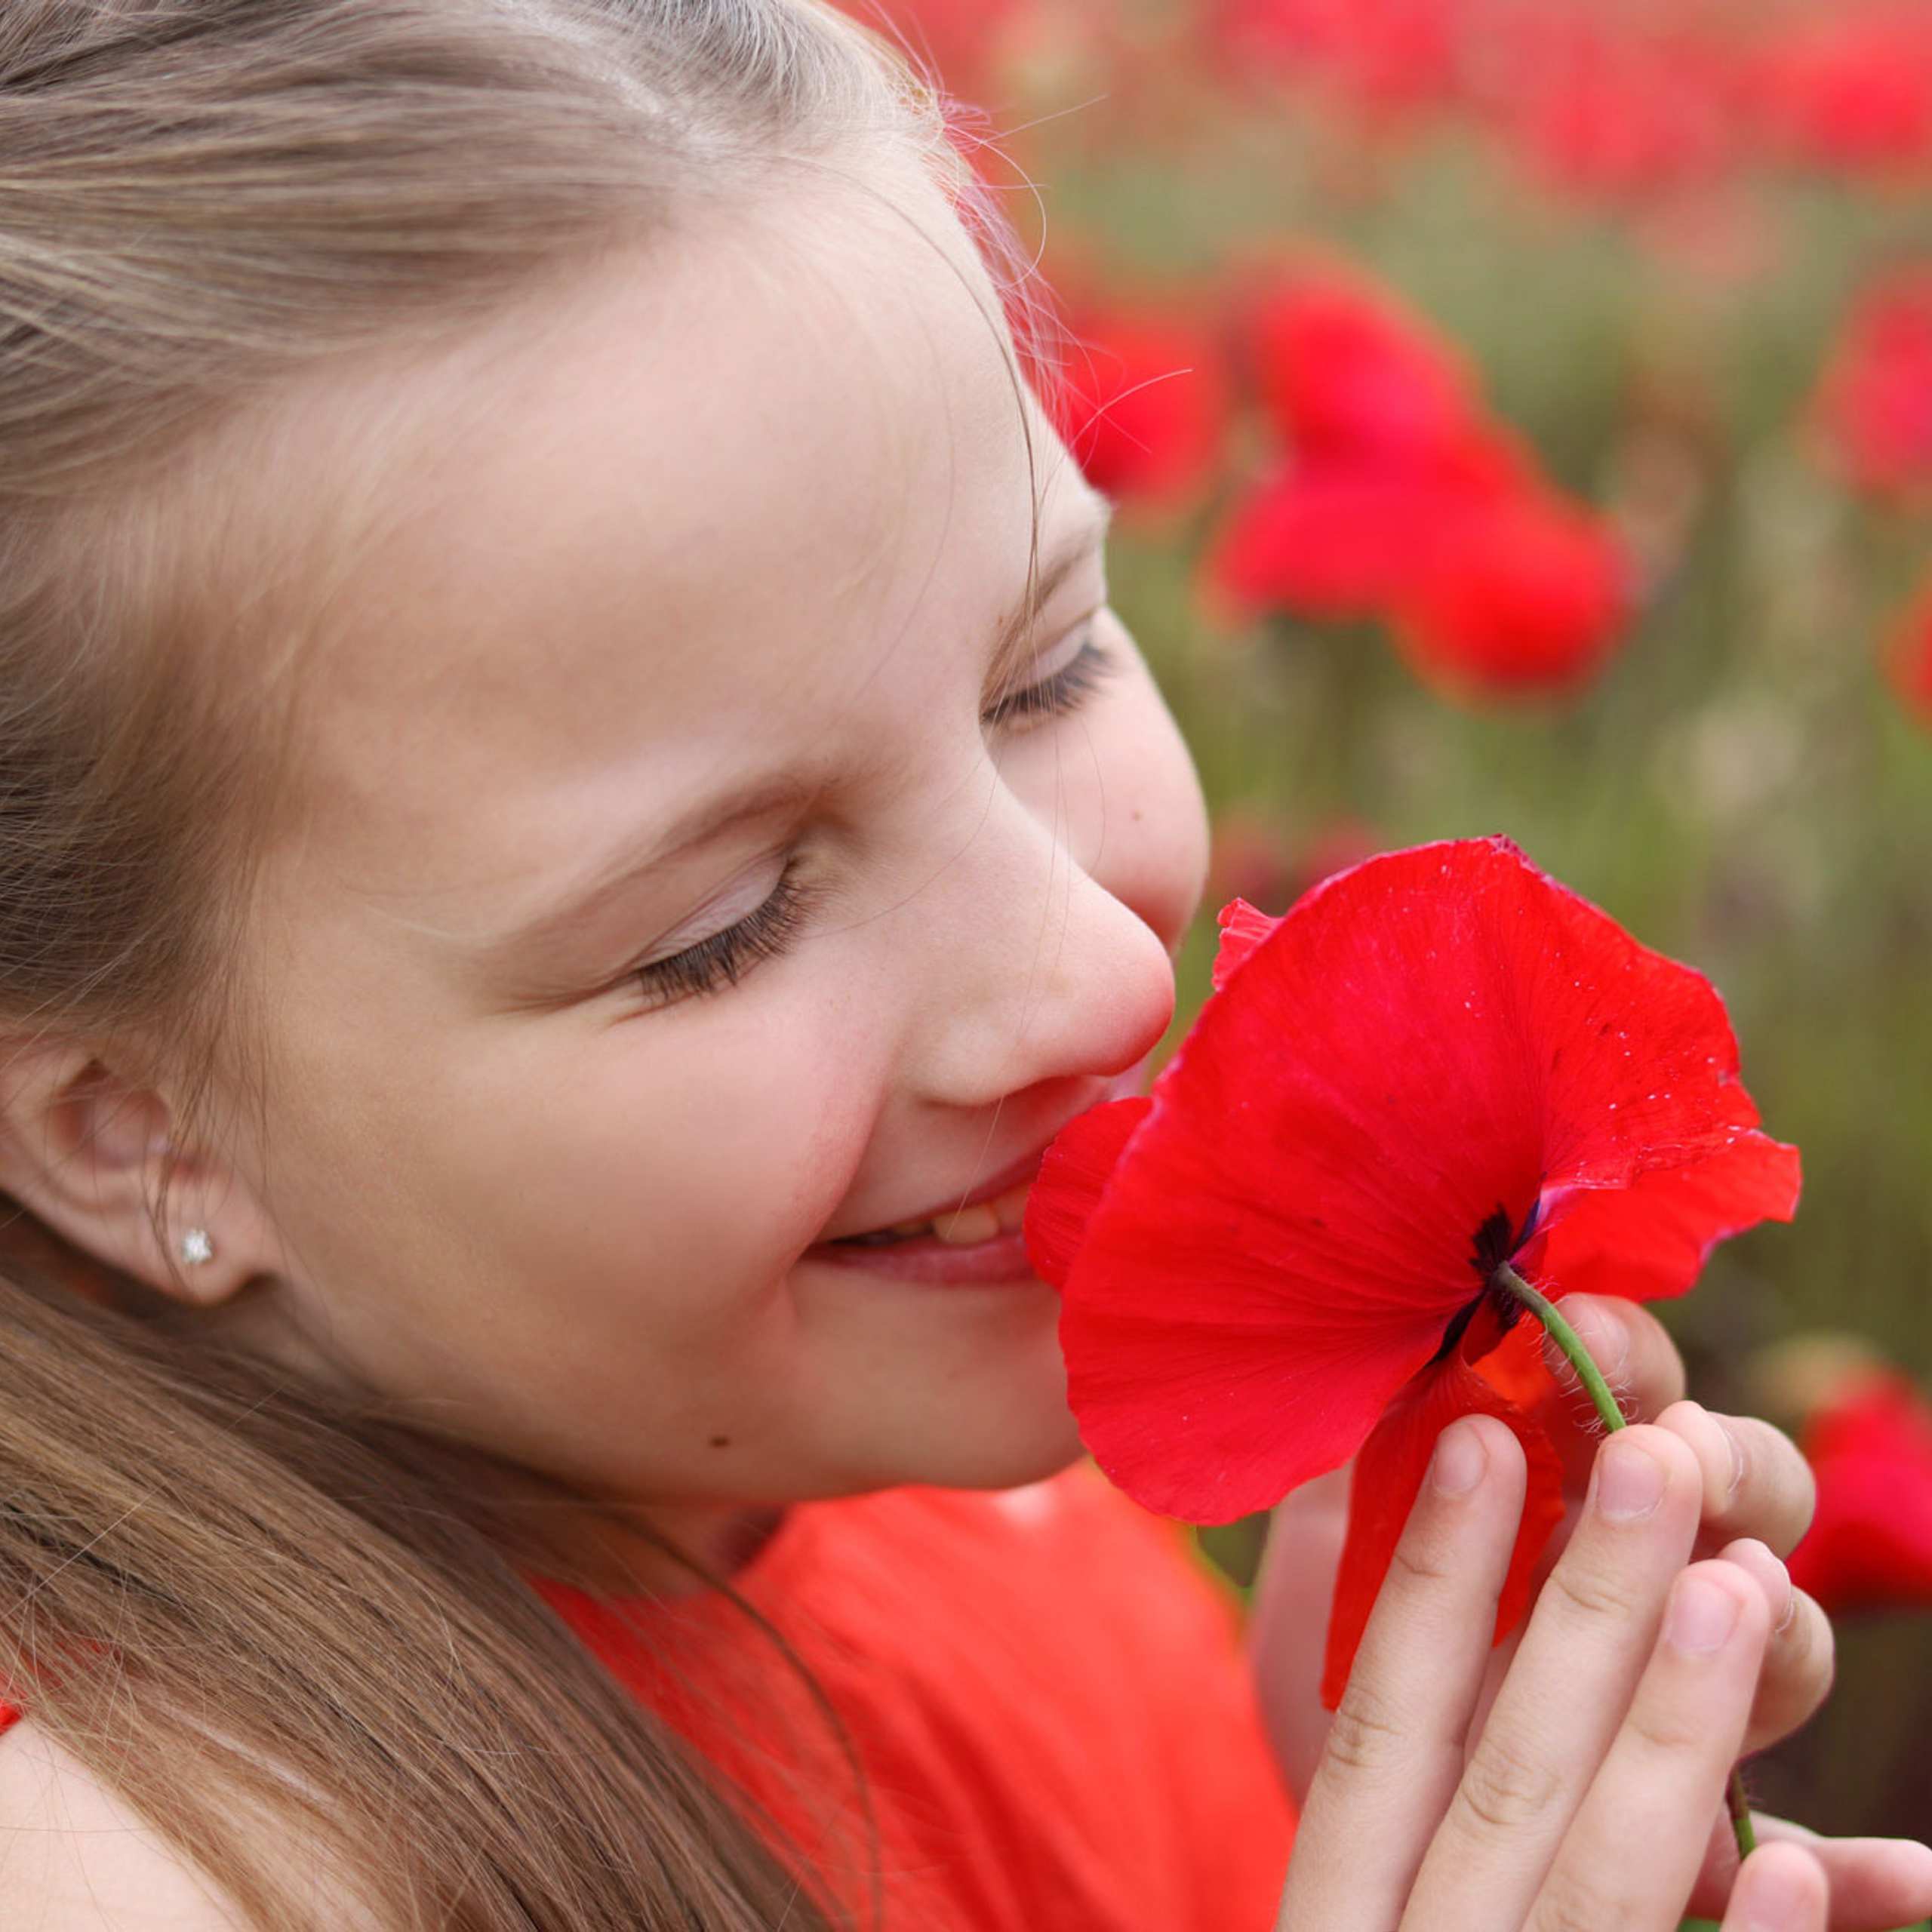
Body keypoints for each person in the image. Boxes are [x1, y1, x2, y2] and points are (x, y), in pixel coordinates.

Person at [0, 3, 1924, 1927]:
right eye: (721, 925)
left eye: (1048, 671)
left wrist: (1330, 1802)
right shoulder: (171, 1879)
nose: (1096, 981)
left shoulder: (888, 1456)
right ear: (126, 1126)